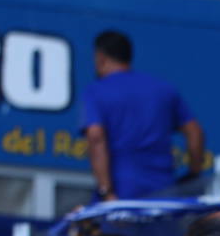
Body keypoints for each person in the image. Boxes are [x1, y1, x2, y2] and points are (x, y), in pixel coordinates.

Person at [80, 30, 204, 201]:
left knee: (113, 229)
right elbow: (195, 132)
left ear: (100, 57)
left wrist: (106, 191)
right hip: (164, 190)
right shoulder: (163, 90)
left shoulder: (96, 91)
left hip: (122, 190)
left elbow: (95, 137)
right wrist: (193, 173)